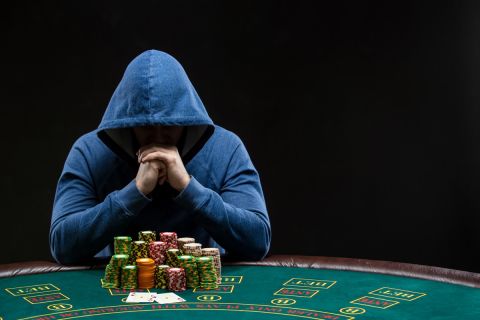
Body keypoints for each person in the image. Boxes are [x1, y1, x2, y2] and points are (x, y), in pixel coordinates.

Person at [49, 50, 271, 265]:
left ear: (187, 119)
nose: (157, 136)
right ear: (126, 124)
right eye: (144, 126)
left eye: (168, 124)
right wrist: (135, 192)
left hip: (203, 292)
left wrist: (188, 187)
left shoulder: (226, 148)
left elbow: (258, 241)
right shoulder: (89, 152)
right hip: (118, 295)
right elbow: (62, 246)